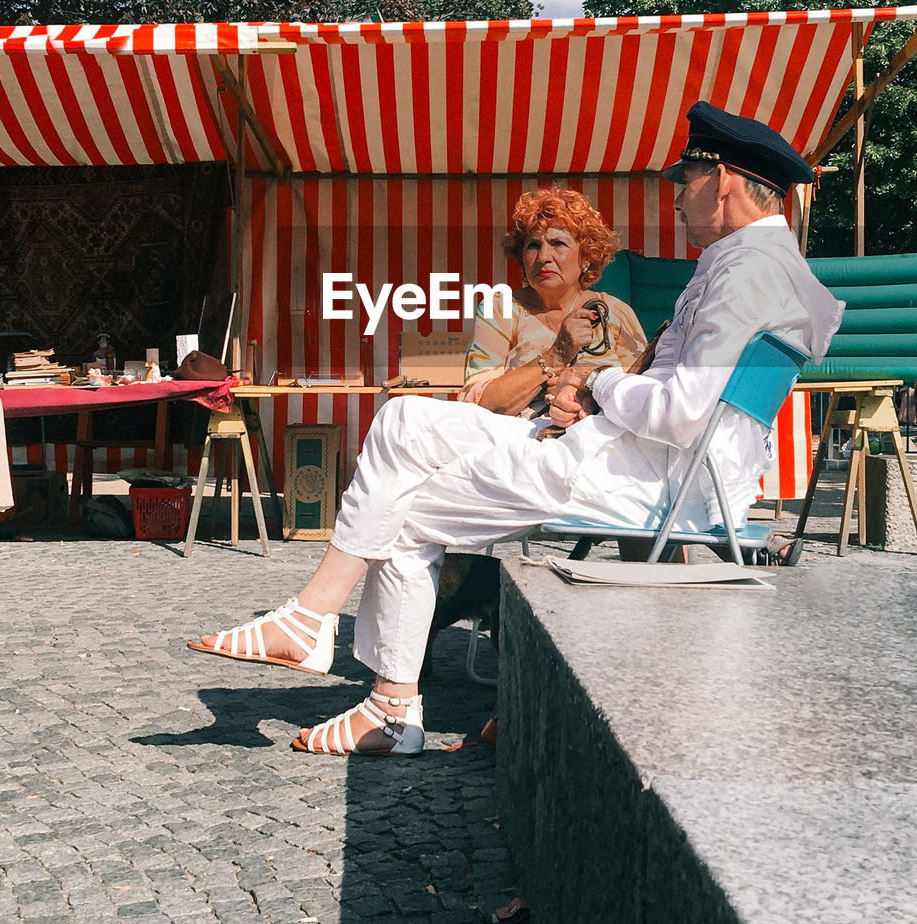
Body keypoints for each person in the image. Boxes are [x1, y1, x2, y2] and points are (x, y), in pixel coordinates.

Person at [188, 102, 844, 757]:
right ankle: (320, 629)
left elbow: (681, 412)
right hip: (629, 458)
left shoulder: (747, 270)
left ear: (722, 179)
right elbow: (675, 399)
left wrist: (596, 384)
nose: (676, 197)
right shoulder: (752, 263)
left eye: (685, 182)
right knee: (402, 421)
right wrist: (596, 394)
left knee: (406, 504)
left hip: (644, 481)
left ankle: (377, 695)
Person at [459, 186, 647, 417]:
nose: (543, 257)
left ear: (587, 255)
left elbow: (643, 396)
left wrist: (586, 396)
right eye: (533, 246)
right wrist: (556, 355)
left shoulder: (616, 313)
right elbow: (479, 404)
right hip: (520, 443)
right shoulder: (500, 308)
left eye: (558, 243)